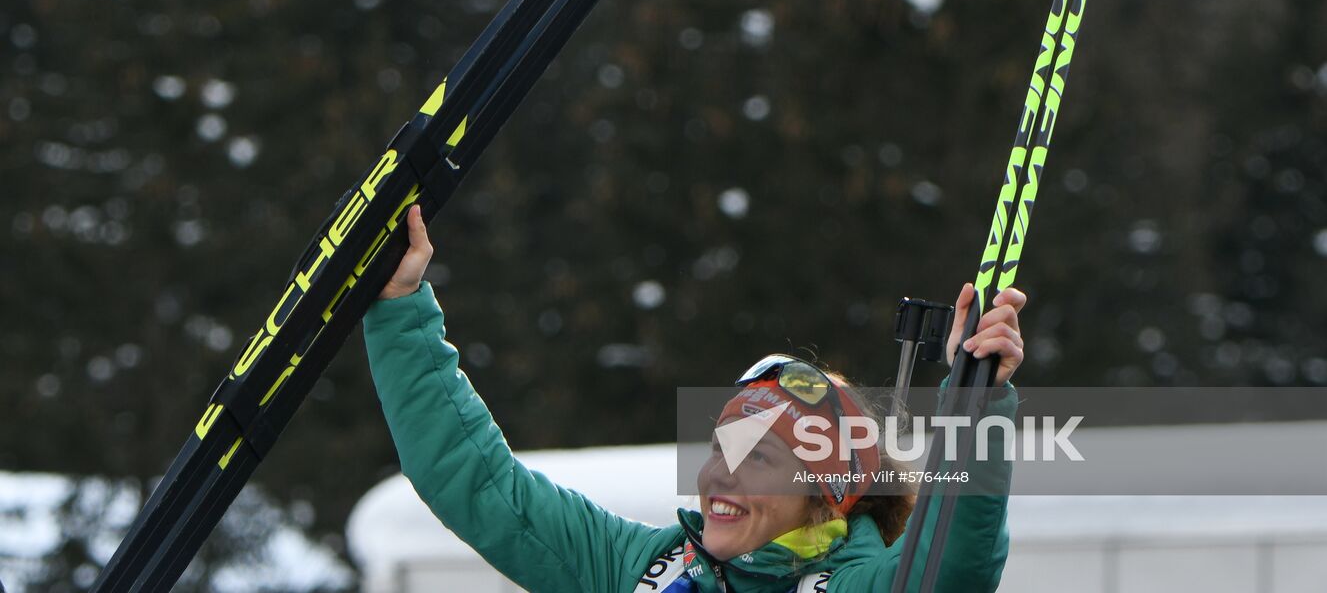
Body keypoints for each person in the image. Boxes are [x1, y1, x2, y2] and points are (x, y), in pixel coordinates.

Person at [364, 205, 1027, 592]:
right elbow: (478, 484)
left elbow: (951, 566)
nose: (721, 474)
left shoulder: (857, 584)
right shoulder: (638, 567)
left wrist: (978, 401)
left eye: (760, 457)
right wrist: (399, 306)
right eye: (722, 446)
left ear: (824, 497)